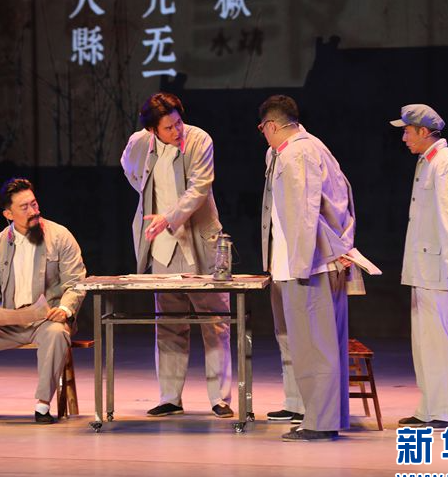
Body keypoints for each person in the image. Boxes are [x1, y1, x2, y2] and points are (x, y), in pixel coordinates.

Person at [121, 92, 233, 418]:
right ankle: (170, 397)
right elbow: (128, 167)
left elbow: (200, 187)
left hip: (198, 241)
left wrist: (168, 217)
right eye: (168, 128)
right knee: (169, 322)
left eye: (178, 122)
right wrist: (146, 197)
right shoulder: (139, 143)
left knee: (215, 321)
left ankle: (219, 398)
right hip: (163, 246)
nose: (177, 130)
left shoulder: (199, 140)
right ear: (152, 130)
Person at [257, 95, 358, 441]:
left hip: (309, 265)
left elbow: (304, 211)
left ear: (271, 126)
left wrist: (301, 266)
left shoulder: (298, 153)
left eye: (262, 129)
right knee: (317, 346)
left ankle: (320, 422)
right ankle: (324, 417)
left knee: (315, 347)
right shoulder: (309, 147)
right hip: (310, 262)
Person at [0, 178, 86, 424]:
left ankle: (42, 406)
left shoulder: (60, 236)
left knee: (57, 334)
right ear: (8, 214)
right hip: (8, 322)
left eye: (34, 204)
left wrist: (65, 309)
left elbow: (76, 281)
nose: (33, 211)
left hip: (46, 321)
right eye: (24, 207)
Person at [390, 104, 448, 429]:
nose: (404, 138)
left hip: (440, 268)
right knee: (424, 343)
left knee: (440, 342)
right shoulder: (428, 161)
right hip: (424, 267)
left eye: (408, 131)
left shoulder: (445, 164)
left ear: (424, 132)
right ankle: (429, 409)